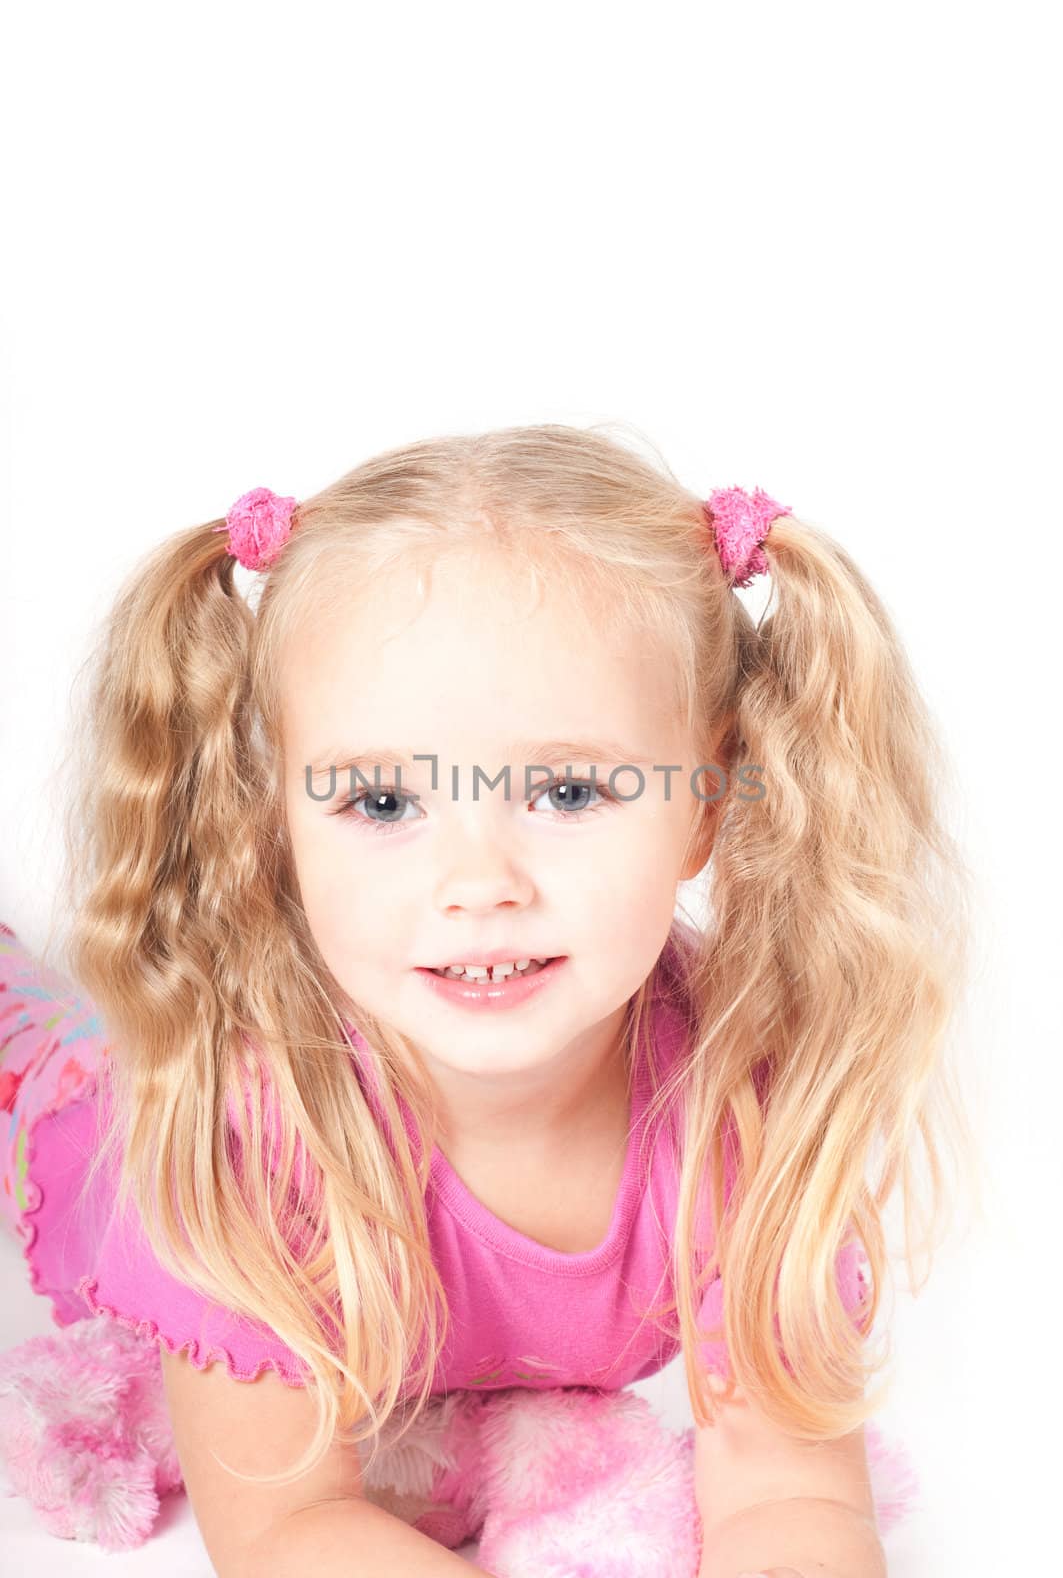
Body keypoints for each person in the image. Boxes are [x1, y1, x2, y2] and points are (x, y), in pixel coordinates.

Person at [0, 423, 976, 1577]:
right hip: (94, 1098)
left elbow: (788, 1501)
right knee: (48, 1051)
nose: (477, 886)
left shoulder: (748, 1107)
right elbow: (284, 1525)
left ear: (707, 803)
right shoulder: (243, 1129)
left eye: (567, 790)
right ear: (275, 823)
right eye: (378, 803)